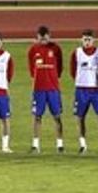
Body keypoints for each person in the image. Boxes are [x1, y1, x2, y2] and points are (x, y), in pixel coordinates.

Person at [70, 29, 98, 154]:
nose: (87, 42)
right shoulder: (76, 53)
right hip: (81, 89)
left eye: (89, 39)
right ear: (82, 40)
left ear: (93, 40)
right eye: (85, 39)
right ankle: (83, 144)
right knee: (80, 117)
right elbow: (72, 71)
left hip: (96, 90)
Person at [28, 25, 64, 154]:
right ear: (37, 36)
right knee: (37, 117)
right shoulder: (33, 50)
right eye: (41, 35)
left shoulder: (56, 49)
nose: (43, 38)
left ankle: (60, 145)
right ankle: (35, 145)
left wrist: (52, 78)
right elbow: (32, 70)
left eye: (45, 35)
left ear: (49, 35)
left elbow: (60, 67)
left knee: (57, 116)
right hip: (39, 89)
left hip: (53, 89)